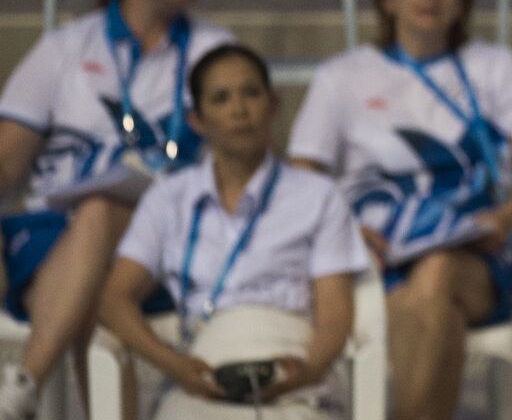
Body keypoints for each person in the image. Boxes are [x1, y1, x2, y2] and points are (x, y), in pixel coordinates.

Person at [287, 0, 512, 420]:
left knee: (436, 271)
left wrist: (503, 217)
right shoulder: (342, 77)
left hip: (473, 257)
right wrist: (345, 232)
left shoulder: (492, 67)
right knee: (437, 309)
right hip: (373, 258)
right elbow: (299, 182)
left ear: (462, 1)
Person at [0, 0, 232, 419]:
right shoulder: (65, 48)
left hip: (163, 240)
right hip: (50, 234)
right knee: (98, 281)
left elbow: (239, 154)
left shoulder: (213, 51)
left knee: (105, 212)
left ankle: (21, 385)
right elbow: (8, 161)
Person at [100, 43, 368, 419]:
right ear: (197, 120)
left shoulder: (317, 195)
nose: (239, 110)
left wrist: (308, 370)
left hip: (293, 368)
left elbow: (336, 312)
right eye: (221, 98)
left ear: (273, 104)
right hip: (203, 370)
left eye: (251, 93)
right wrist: (174, 365)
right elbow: (114, 299)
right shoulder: (168, 198)